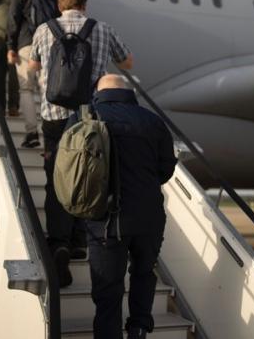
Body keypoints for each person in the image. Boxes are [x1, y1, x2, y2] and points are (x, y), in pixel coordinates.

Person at [28, 0, 134, 287]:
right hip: (89, 118)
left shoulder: (44, 29)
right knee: (89, 176)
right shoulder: (101, 29)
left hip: (53, 117)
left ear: (60, 5)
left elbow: (33, 67)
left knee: (57, 179)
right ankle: (80, 241)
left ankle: (58, 242)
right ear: (84, 5)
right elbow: (127, 62)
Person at [74, 74, 176, 339]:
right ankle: (139, 328)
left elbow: (70, 169)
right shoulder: (153, 121)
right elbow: (166, 169)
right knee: (144, 272)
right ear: (129, 91)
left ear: (98, 91)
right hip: (149, 217)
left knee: (108, 290)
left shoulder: (86, 117)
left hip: (105, 219)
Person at [7, 0, 60, 148]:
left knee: (26, 89)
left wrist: (10, 46)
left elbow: (13, 17)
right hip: (50, 44)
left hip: (26, 44)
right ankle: (51, 134)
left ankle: (32, 133)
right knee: (47, 88)